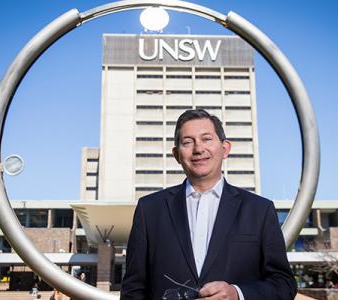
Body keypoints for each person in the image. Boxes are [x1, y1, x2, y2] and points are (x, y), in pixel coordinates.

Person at [120, 109, 297, 299]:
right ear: (176, 154)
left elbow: (283, 284)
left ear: (225, 148)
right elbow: (133, 289)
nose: (198, 149)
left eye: (206, 139)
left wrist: (237, 294)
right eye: (187, 142)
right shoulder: (150, 210)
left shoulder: (259, 210)